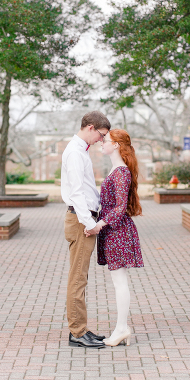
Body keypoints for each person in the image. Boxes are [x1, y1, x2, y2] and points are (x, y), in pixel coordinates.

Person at [86, 128, 144, 347]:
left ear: (117, 145)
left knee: (120, 283)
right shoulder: (116, 170)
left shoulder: (121, 172)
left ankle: (122, 329)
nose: (102, 142)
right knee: (118, 282)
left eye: (106, 140)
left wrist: (98, 225)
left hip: (118, 231)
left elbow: (119, 208)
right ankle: (121, 328)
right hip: (114, 231)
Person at [61, 110, 111, 349]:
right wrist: (90, 224)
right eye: (101, 135)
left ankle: (81, 329)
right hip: (81, 221)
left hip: (84, 219)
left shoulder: (80, 151)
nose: (101, 140)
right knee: (78, 278)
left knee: (81, 277)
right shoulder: (74, 152)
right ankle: (77, 332)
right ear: (90, 127)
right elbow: (77, 192)